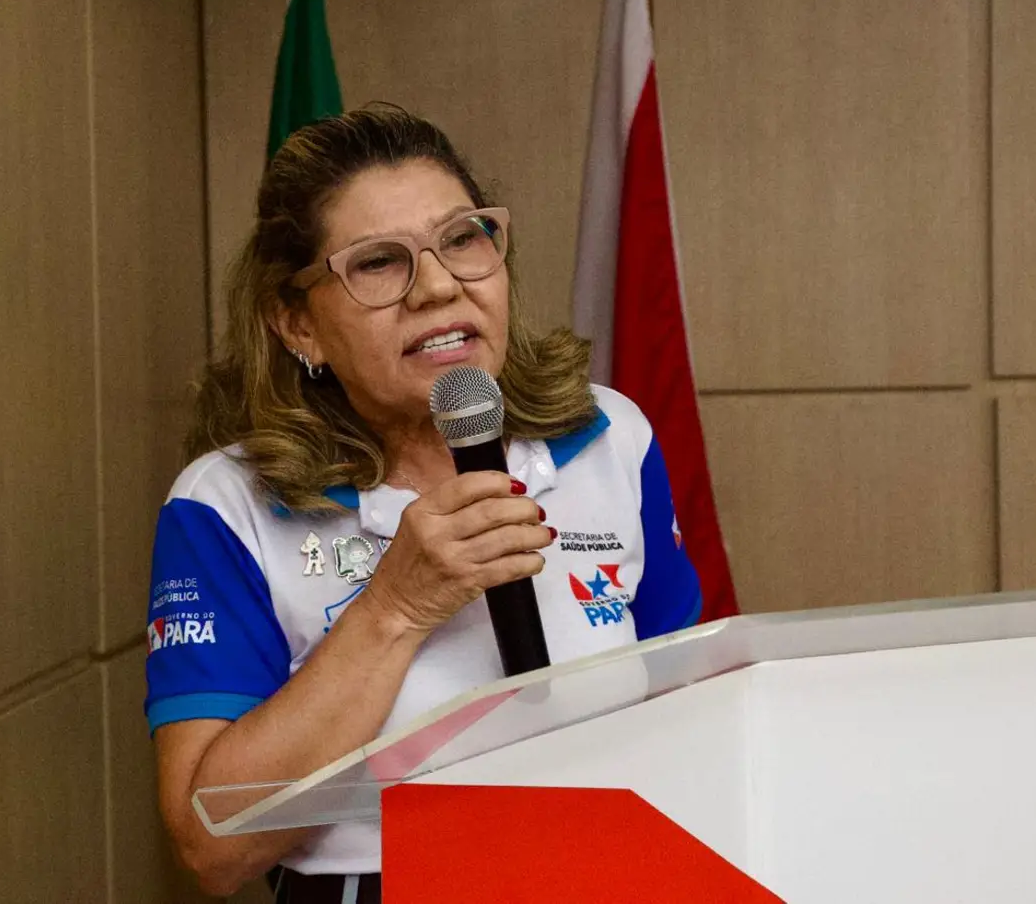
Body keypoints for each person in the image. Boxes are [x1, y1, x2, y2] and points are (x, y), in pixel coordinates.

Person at [146, 103, 702, 903]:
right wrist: (396, 608)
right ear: (298, 323)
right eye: (379, 262)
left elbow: (688, 702)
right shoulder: (226, 505)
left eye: (463, 238)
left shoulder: (609, 437)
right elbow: (211, 848)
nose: (439, 286)